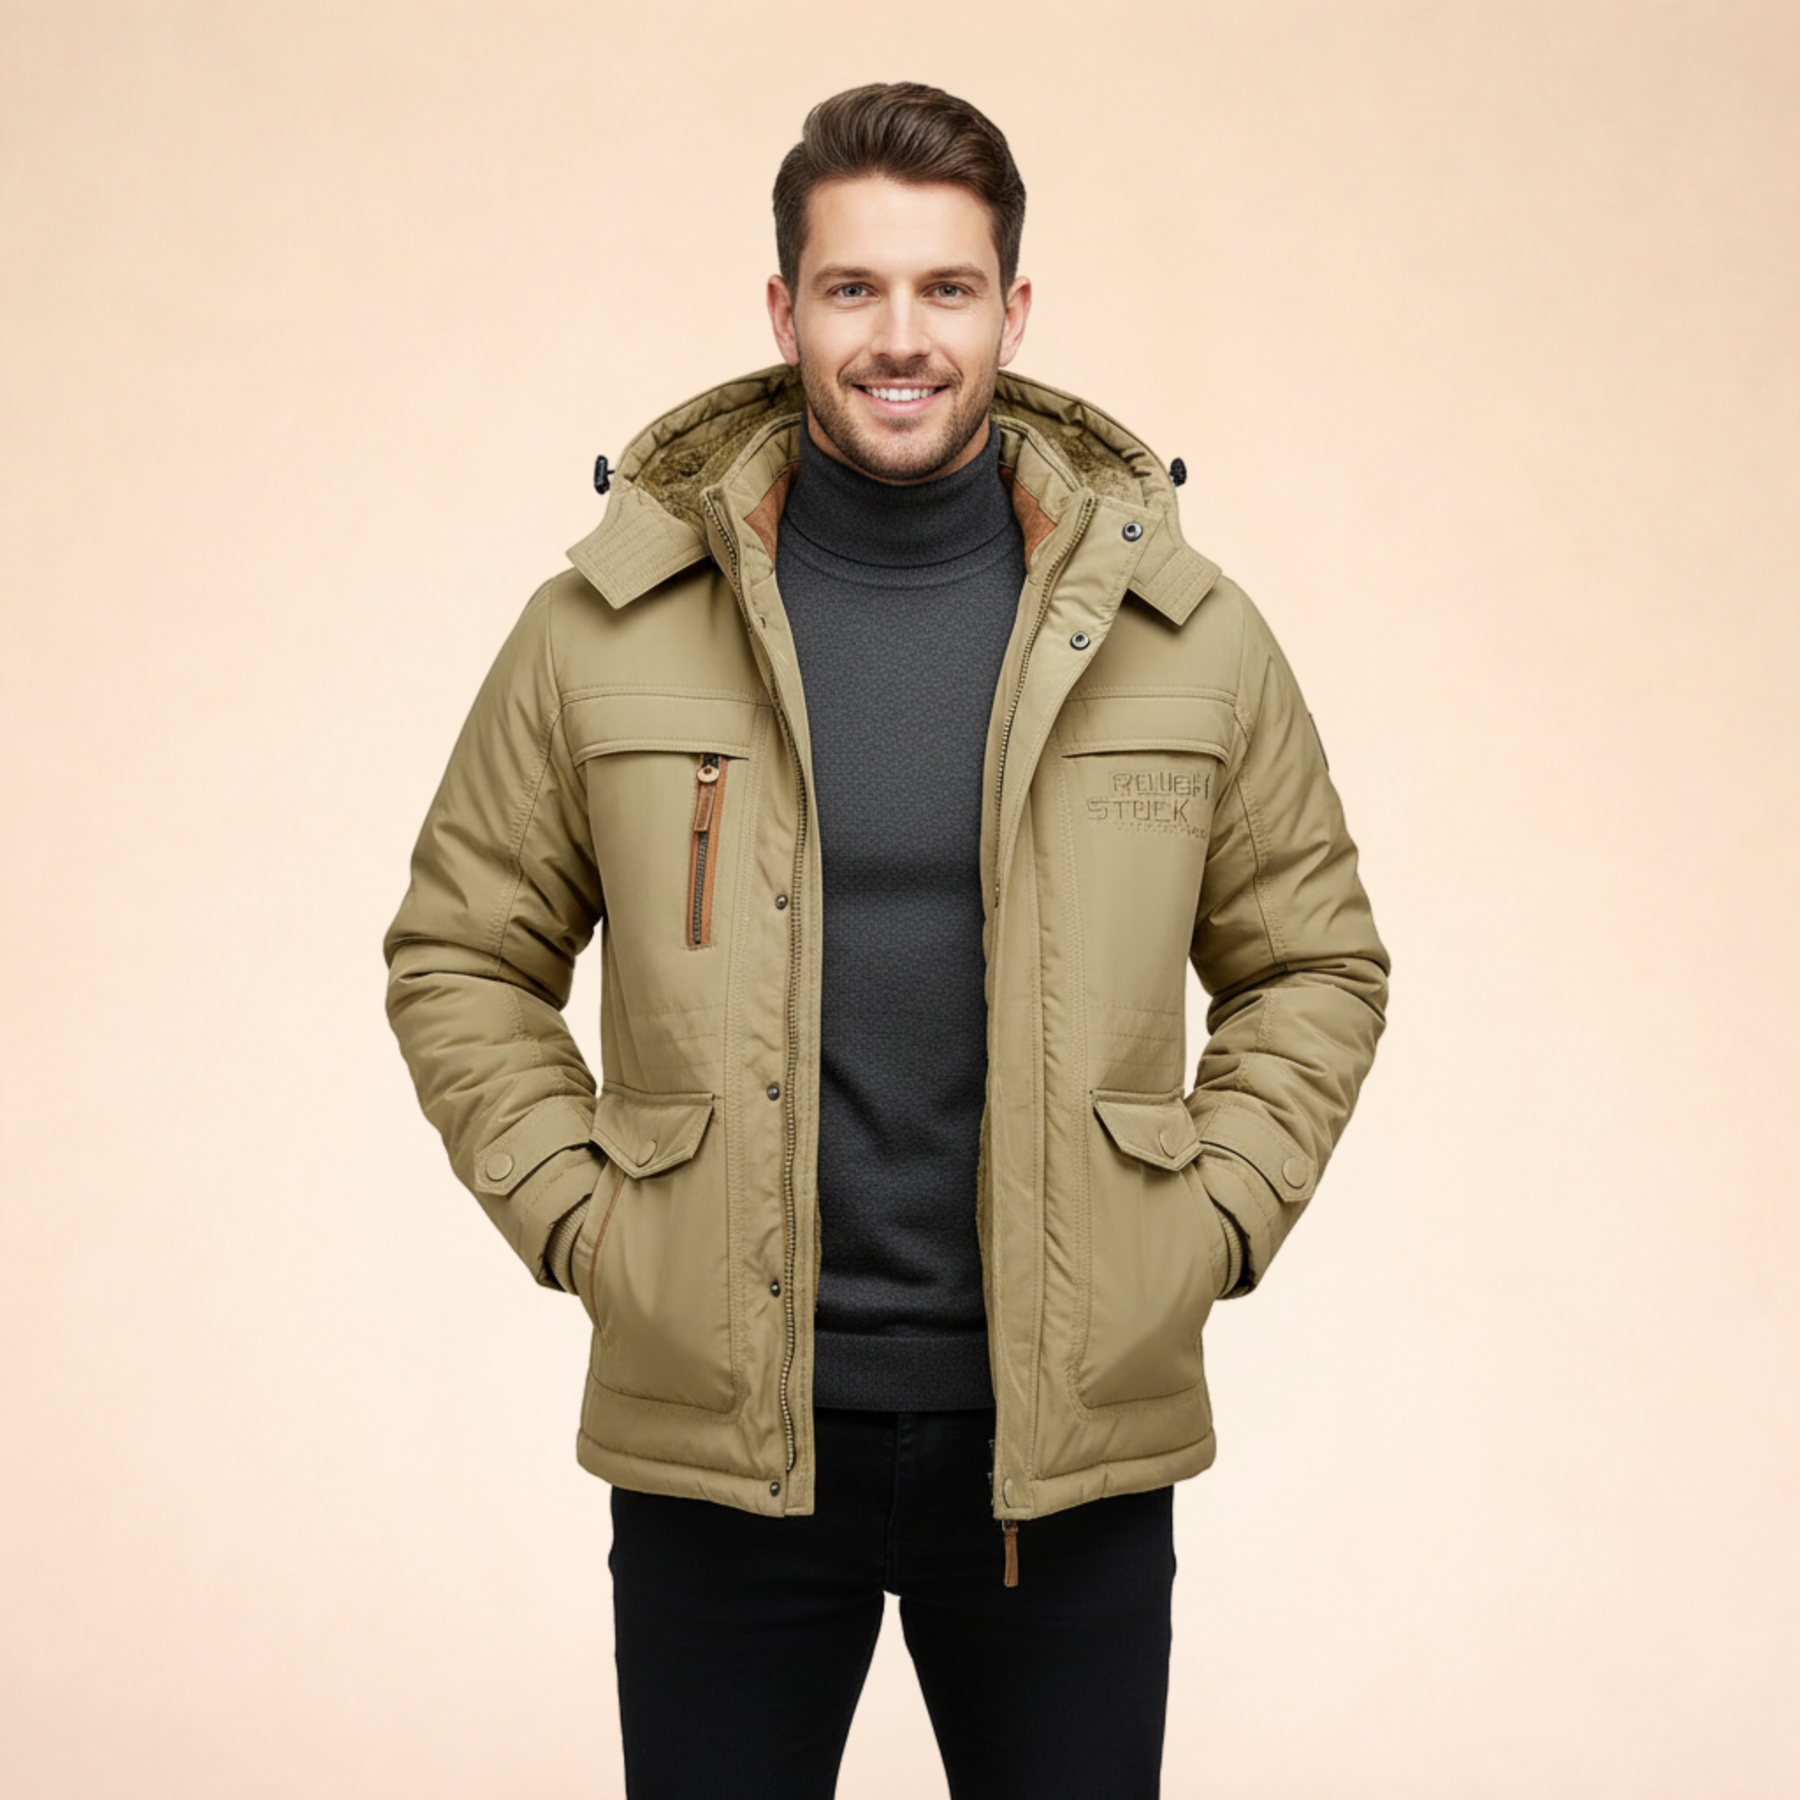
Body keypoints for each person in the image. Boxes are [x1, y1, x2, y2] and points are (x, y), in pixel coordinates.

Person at [383, 80, 1388, 1800]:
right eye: (854, 288)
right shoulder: (600, 626)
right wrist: (587, 1223)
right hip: (722, 1450)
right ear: (785, 310)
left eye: (946, 288)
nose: (901, 336)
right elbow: (461, 950)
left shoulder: (1186, 635)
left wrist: (1206, 1224)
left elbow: (1316, 965)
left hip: (1062, 1457)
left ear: (1014, 309)